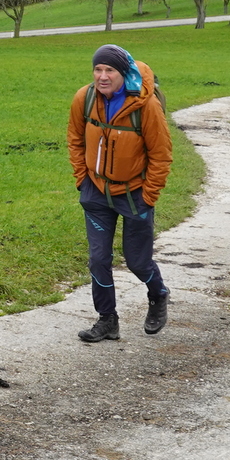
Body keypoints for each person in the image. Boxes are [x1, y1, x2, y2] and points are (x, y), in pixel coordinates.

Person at [66, 43, 173, 342]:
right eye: (97, 69)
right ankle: (107, 320)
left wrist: (149, 195)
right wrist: (82, 179)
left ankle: (158, 294)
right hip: (96, 192)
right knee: (98, 259)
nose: (102, 76)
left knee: (137, 262)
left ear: (123, 73)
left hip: (134, 194)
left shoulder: (146, 105)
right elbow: (75, 138)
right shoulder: (85, 98)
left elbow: (161, 155)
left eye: (109, 70)